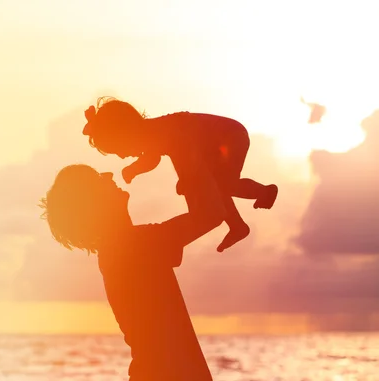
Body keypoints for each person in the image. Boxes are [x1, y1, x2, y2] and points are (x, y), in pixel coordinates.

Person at [39, 149, 225, 380]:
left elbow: (209, 214)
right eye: (98, 178)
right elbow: (212, 214)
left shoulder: (122, 247)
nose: (108, 175)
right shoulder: (134, 246)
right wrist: (186, 153)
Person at [82, 96, 279, 252]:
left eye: (118, 149)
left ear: (126, 133)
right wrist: (134, 170)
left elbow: (185, 152)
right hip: (215, 145)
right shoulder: (152, 134)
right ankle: (237, 226)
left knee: (223, 184)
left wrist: (187, 179)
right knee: (216, 186)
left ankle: (264, 192)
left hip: (229, 137)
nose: (122, 155)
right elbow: (153, 159)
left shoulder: (162, 132)